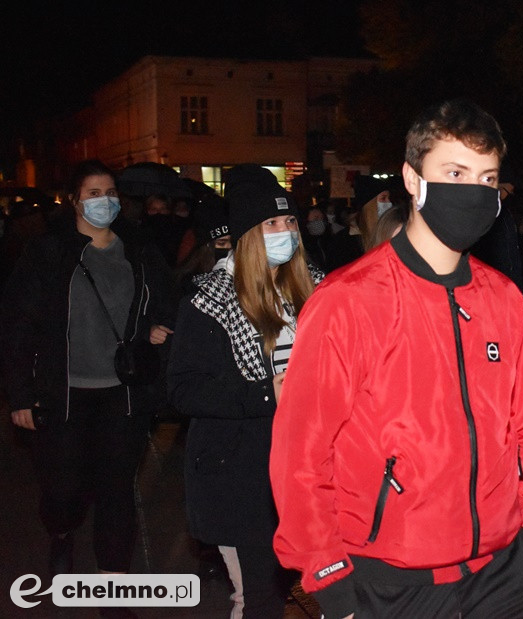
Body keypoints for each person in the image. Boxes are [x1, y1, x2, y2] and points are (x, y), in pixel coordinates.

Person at [269, 99, 523, 618]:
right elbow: (302, 454)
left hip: (507, 572)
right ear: (411, 177)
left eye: (486, 179)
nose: (472, 192)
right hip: (394, 580)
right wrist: (328, 572)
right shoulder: (347, 302)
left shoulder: (505, 299)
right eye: (454, 172)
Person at [2, 160, 173, 616]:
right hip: (65, 393)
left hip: (123, 392)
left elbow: (163, 302)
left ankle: (112, 586)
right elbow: (18, 323)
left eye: (111, 192)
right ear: (76, 201)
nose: (105, 201)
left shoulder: (138, 249)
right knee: (64, 488)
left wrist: (157, 327)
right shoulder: (50, 252)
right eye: (94, 193)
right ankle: (61, 531)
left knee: (117, 490)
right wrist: (20, 395)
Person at [167, 166, 323, 618]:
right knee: (258, 597)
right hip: (239, 469)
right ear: (248, 234)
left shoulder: (312, 284)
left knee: (317, 586)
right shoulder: (210, 299)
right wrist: (263, 393)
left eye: (290, 222)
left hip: (306, 462)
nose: (285, 231)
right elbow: (182, 389)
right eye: (272, 224)